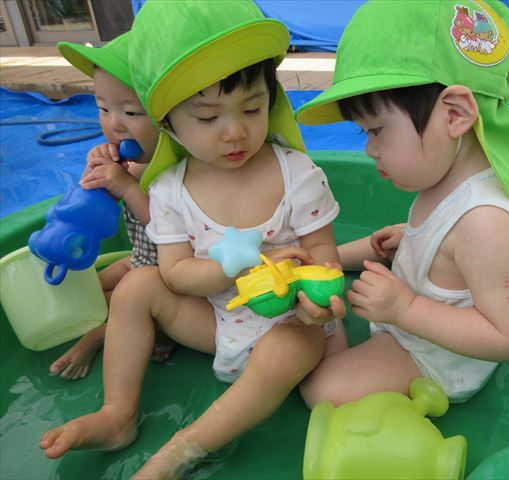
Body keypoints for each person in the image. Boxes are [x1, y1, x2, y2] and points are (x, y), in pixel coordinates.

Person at [39, 1, 346, 477]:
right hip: (216, 319)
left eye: (252, 108)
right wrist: (231, 266)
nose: (235, 131)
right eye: (207, 118)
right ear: (166, 122)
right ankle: (118, 414)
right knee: (136, 287)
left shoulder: (297, 174)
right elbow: (176, 274)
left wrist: (316, 296)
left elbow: (324, 252)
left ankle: (184, 447)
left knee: (289, 349)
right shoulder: (169, 190)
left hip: (291, 323)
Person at [296, 0, 509, 407]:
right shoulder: (444, 173)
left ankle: (329, 321)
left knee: (319, 390)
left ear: (455, 115)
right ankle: (322, 268)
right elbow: (446, 235)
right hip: (407, 318)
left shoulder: (486, 223)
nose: (370, 150)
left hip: (436, 356)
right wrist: (412, 241)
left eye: (376, 130)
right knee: (351, 260)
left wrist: (404, 308)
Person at [48, 33, 173, 380]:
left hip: (171, 279)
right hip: (140, 260)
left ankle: (101, 336)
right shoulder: (130, 162)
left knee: (129, 304)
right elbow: (95, 208)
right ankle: (112, 323)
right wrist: (99, 174)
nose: (114, 124)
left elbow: (169, 230)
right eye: (103, 109)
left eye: (130, 112)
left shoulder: (177, 169)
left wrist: (127, 186)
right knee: (86, 294)